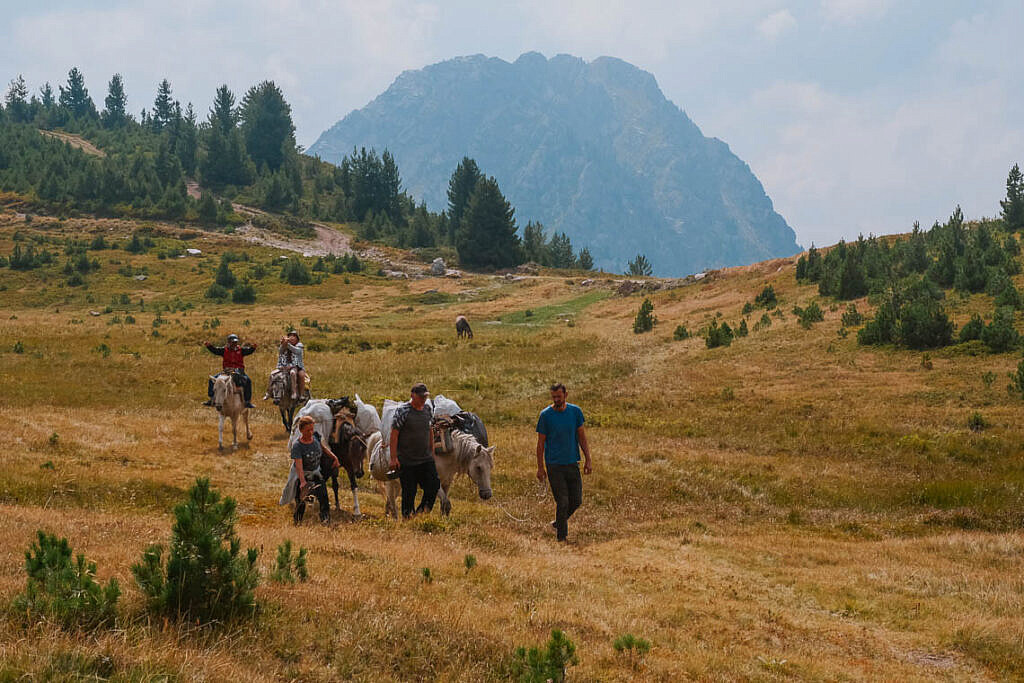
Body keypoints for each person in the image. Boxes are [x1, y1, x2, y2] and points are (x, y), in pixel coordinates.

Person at [536, 383, 592, 542]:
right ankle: (562, 537)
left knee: (576, 500)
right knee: (562, 501)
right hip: (554, 465)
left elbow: (582, 437)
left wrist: (588, 459)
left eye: (559, 397)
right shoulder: (545, 416)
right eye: (553, 397)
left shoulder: (575, 412)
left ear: (566, 395)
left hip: (572, 462)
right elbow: (540, 444)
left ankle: (558, 523)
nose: (556, 400)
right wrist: (540, 468)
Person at [389, 383, 440, 518]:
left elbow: (429, 430)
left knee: (433, 486)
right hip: (407, 461)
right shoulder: (403, 411)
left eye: (425, 396)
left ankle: (420, 514)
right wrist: (393, 458)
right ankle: (407, 518)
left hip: (425, 459)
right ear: (413, 395)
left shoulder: (428, 410)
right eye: (421, 396)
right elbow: (394, 434)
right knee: (409, 492)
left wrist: (432, 452)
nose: (423, 399)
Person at [291, 415, 341, 525]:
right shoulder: (297, 446)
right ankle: (297, 523)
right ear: (301, 430)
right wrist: (303, 482)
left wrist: (334, 457)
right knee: (301, 503)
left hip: (317, 475)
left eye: (312, 429)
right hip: (303, 476)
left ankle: (325, 521)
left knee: (324, 498)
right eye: (307, 430)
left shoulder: (316, 437)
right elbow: (298, 466)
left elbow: (323, 448)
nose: (310, 432)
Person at [203, 334, 256, 409]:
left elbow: (249, 351)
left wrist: (253, 348)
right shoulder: (224, 350)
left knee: (248, 381)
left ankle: (247, 401)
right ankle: (212, 399)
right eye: (232, 342)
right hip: (226, 371)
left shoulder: (241, 350)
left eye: (235, 342)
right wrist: (209, 346)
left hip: (239, 371)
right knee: (212, 380)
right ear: (228, 342)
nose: (234, 344)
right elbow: (215, 350)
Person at [274, 330, 306, 402]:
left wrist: (287, 344)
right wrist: (283, 344)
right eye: (290, 336)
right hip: (285, 367)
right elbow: (280, 351)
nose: (292, 337)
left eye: (294, 336)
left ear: (297, 338)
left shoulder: (299, 345)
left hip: (298, 366)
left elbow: (296, 351)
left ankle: (300, 394)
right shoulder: (285, 345)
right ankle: (270, 393)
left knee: (300, 375)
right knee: (273, 375)